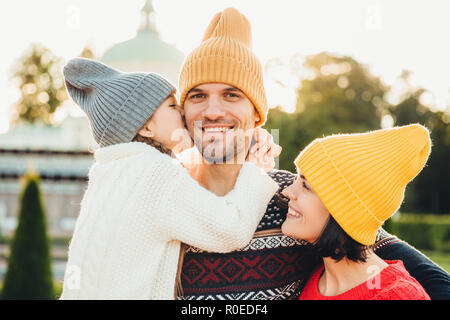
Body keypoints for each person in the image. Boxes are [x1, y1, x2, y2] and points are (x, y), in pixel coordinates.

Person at [175, 7, 450, 300]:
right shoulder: (163, 197)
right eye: (197, 96)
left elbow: (418, 276)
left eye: (232, 94)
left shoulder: (290, 199)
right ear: (182, 112)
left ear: (255, 113)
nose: (213, 111)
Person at [59, 58, 280, 299]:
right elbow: (231, 230)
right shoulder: (155, 174)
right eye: (172, 106)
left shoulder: (111, 172)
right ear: (145, 129)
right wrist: (254, 169)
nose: (184, 112)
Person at [281, 124, 431, 300]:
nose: (287, 191)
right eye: (296, 178)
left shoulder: (398, 296)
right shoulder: (310, 279)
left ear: (345, 211)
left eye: (305, 185)